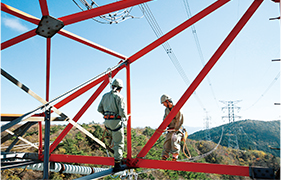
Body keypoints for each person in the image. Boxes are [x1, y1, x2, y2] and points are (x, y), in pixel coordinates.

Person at [98, 78, 127, 172]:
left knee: (113, 140)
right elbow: (122, 112)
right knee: (119, 142)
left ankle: (114, 157)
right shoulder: (119, 97)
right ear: (121, 88)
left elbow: (99, 109)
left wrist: (106, 114)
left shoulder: (105, 96)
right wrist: (126, 117)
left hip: (107, 121)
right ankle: (117, 163)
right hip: (115, 122)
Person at [160, 94, 184, 161]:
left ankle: (174, 156)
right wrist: (163, 127)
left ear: (167, 101)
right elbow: (165, 119)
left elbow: (179, 120)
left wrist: (176, 128)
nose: (163, 105)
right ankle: (165, 156)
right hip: (170, 129)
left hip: (177, 129)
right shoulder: (166, 110)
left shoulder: (177, 109)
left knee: (174, 140)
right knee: (167, 142)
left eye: (164, 103)